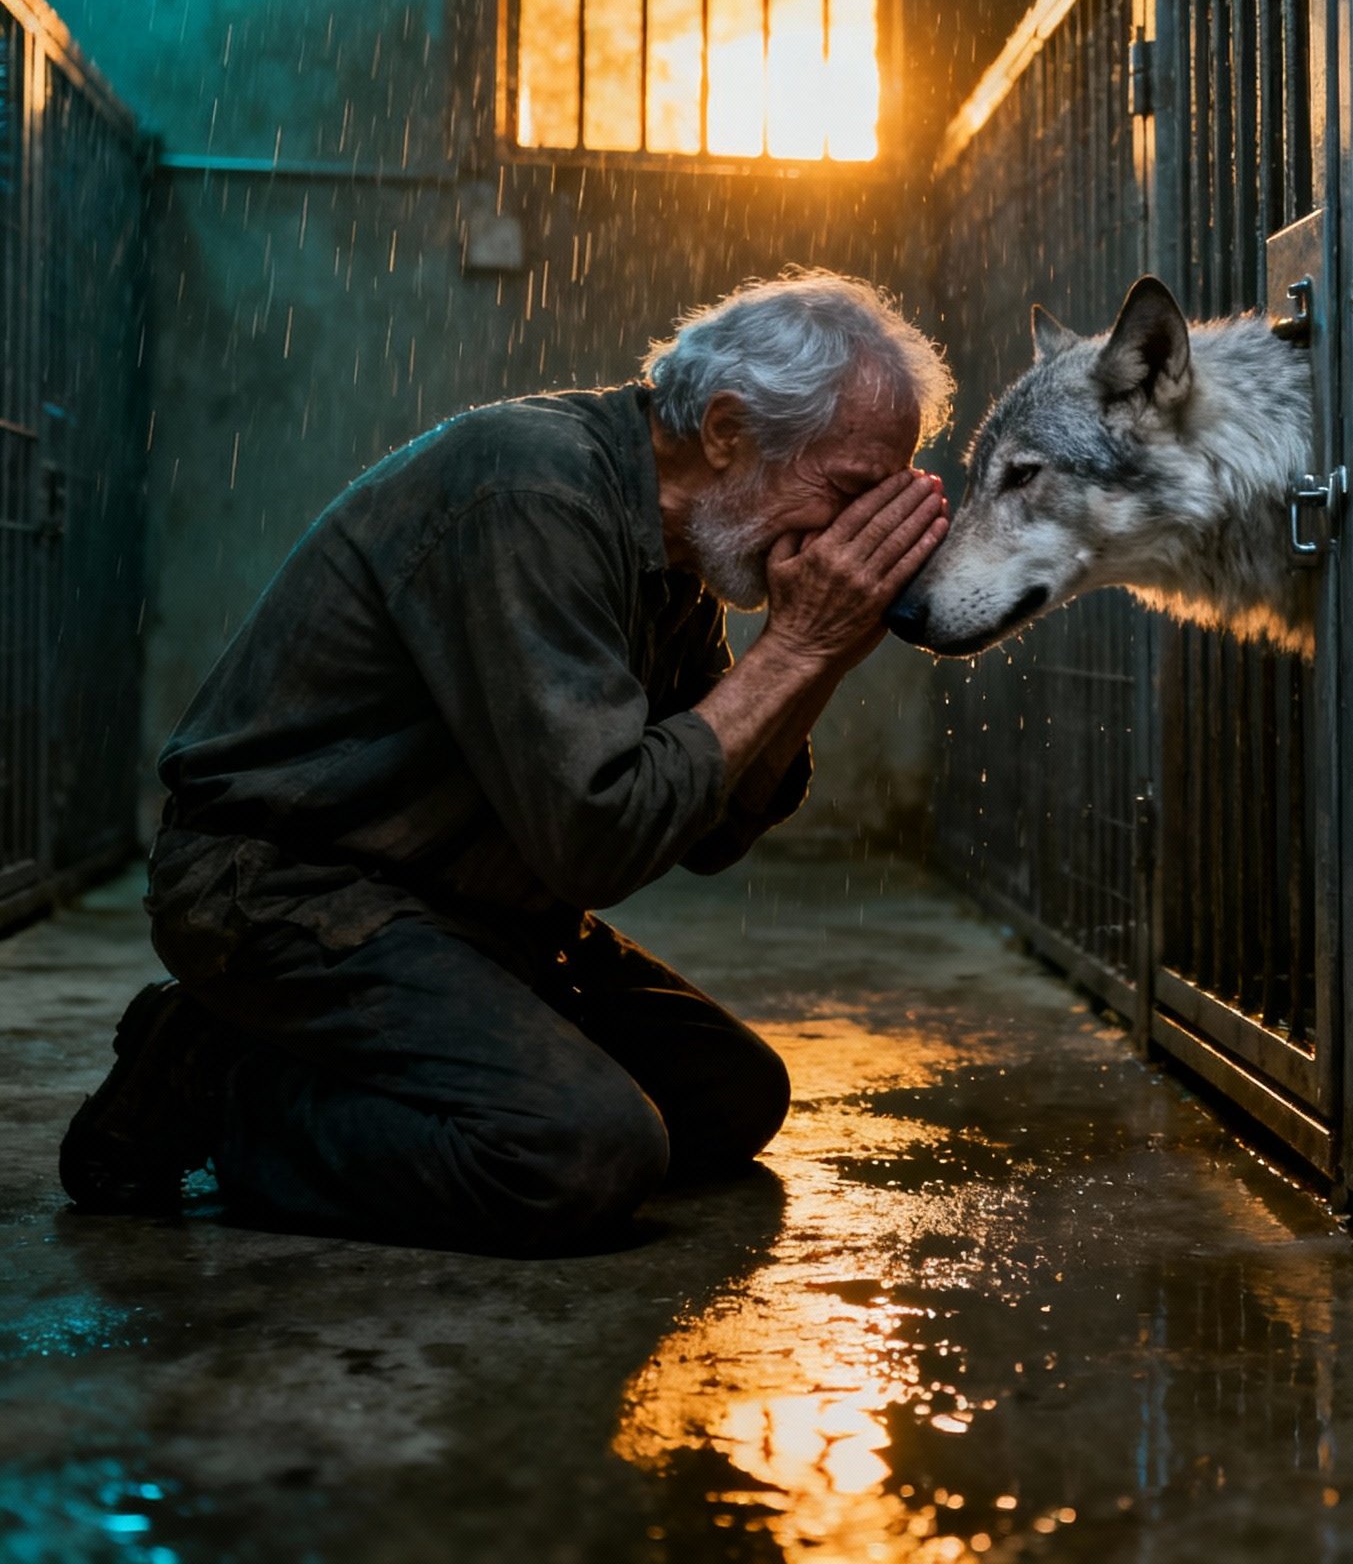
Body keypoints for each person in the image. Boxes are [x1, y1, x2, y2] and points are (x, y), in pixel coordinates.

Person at [59, 270, 953, 1253]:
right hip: (287, 891)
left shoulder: (684, 547)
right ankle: (208, 1088)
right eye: (848, 494)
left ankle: (317, 1053)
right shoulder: (527, 490)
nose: (853, 539)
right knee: (574, 1155)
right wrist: (795, 651)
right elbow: (597, 839)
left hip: (473, 907)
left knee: (728, 1098)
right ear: (730, 430)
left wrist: (814, 659)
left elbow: (706, 830)